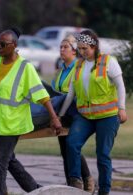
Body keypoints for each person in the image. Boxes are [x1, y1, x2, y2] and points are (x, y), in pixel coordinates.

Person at [0, 28, 62, 195]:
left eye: (3, 44)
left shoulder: (25, 68)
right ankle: (35, 190)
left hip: (13, 123)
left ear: (13, 45)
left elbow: (42, 95)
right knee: (9, 160)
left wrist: (54, 118)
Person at [58, 30, 127, 195]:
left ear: (94, 45)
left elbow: (120, 86)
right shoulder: (79, 65)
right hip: (86, 116)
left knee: (102, 154)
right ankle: (75, 182)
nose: (82, 52)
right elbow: (71, 93)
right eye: (80, 48)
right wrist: (59, 115)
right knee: (72, 143)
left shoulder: (108, 62)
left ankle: (104, 190)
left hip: (108, 116)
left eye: (85, 48)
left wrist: (122, 108)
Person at [52, 34, 95, 193]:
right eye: (60, 47)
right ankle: (72, 183)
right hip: (62, 113)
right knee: (65, 150)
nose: (61, 50)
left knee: (71, 147)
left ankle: (86, 181)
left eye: (65, 47)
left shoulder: (79, 67)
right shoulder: (60, 70)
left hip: (75, 113)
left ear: (74, 52)